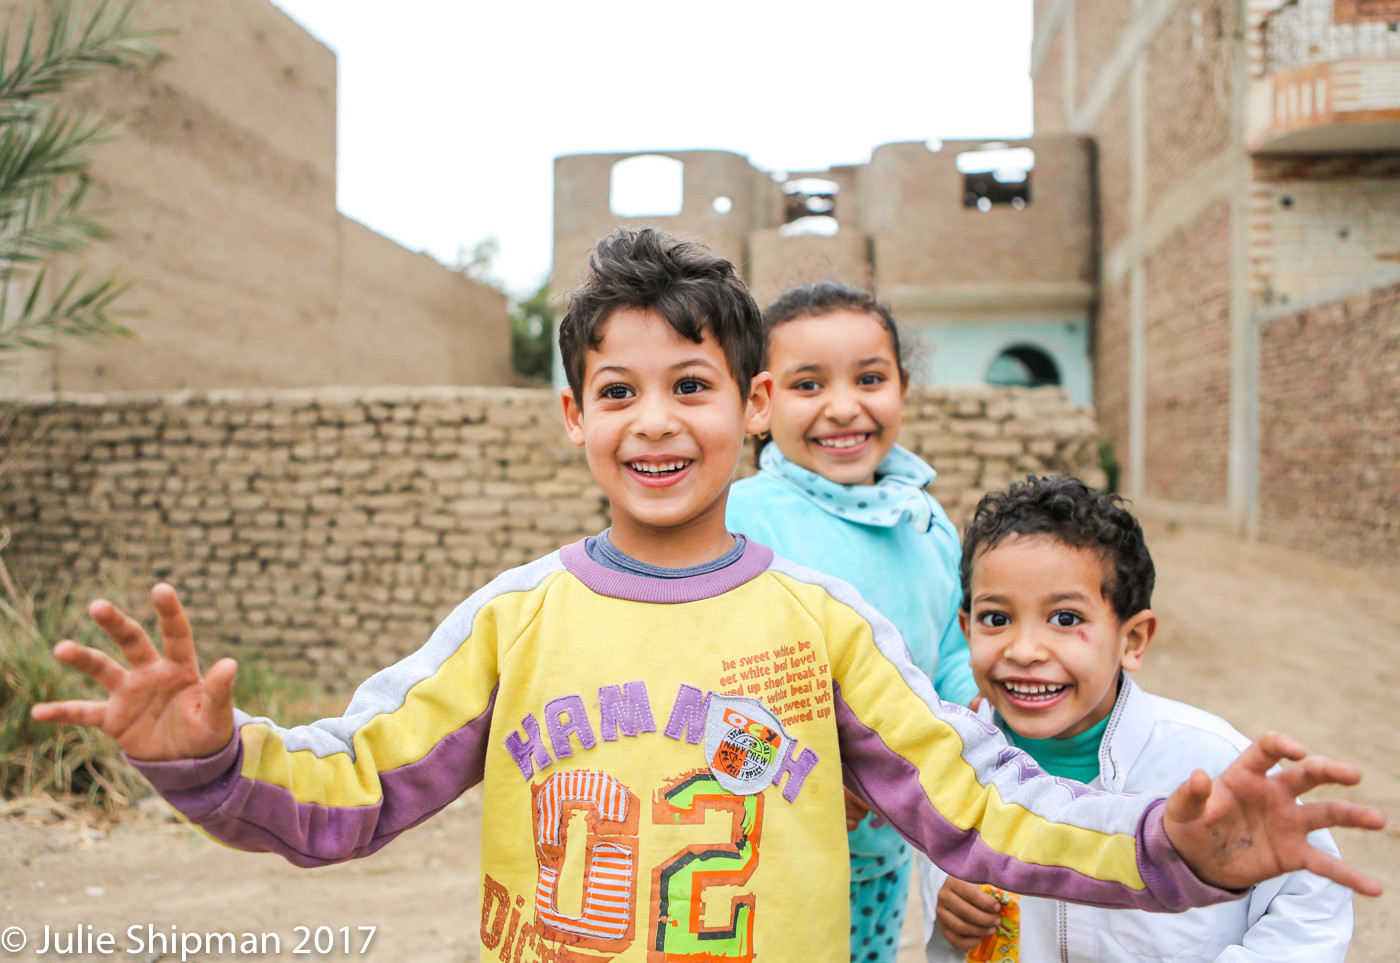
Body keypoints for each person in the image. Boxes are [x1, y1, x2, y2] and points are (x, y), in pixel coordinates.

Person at [31, 228, 1385, 963]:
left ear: (748, 408)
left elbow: (979, 811)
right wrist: (207, 757)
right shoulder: (514, 620)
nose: (656, 422)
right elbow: (355, 786)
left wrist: (1171, 847)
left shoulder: (824, 624)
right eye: (618, 390)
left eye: (691, 386)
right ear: (571, 414)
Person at [920, 475, 1354, 962]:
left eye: (1065, 618)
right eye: (996, 619)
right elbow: (940, 874)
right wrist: (945, 908)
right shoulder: (955, 763)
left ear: (1133, 640)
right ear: (966, 627)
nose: (1023, 651)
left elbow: (1310, 902)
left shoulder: (1211, 766)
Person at [726, 282, 976, 963]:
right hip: (762, 845)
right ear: (759, 404)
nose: (844, 406)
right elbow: (701, 671)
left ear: (902, 389)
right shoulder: (743, 520)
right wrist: (790, 769)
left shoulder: (924, 520)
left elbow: (948, 651)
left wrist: (980, 716)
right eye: (809, 384)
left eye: (870, 378)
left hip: (889, 841)